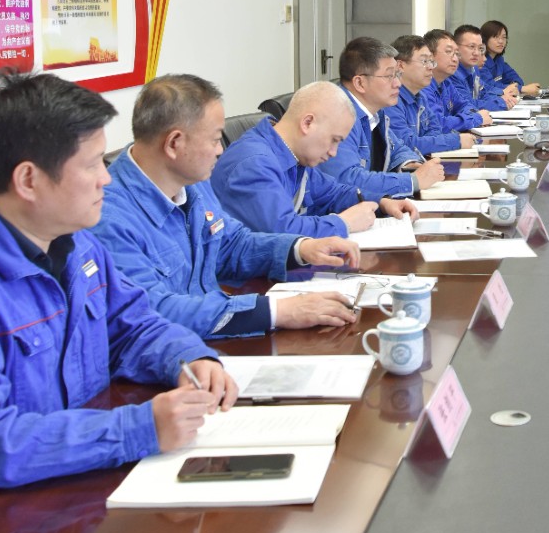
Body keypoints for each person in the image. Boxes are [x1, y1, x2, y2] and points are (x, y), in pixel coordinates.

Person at [0, 71, 237, 529]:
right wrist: (136, 429)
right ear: (29, 180)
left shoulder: (75, 244)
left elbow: (133, 325)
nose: (106, 179)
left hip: (60, 491)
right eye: (92, 165)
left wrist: (188, 358)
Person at [95, 74, 361, 339]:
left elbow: (231, 245)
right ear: (175, 143)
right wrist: (276, 311)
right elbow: (153, 310)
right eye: (214, 140)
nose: (220, 150)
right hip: (176, 352)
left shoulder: (191, 182)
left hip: (212, 339)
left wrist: (300, 248)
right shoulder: (109, 219)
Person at [211, 81, 415, 240]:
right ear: (308, 123)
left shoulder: (294, 155)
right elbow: (282, 233)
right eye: (334, 140)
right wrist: (343, 223)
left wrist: (381, 202)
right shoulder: (254, 164)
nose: (333, 152)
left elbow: (332, 193)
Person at [314, 37, 445, 199]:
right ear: (360, 83)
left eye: (398, 74)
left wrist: (410, 164)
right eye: (389, 76)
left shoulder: (376, 112)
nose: (398, 83)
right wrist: (412, 181)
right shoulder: (337, 115)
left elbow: (397, 147)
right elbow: (346, 179)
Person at [391, 33, 475, 155]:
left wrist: (430, 143)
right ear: (400, 66)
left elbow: (436, 130)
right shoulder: (391, 100)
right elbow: (406, 144)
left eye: (431, 61)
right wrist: (456, 140)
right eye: (424, 61)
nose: (430, 67)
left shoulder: (420, 96)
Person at [424, 28, 491, 131]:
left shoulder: (446, 82)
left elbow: (464, 105)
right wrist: (476, 119)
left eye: (456, 53)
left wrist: (474, 115)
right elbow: (438, 124)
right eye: (449, 52)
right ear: (430, 56)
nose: (455, 59)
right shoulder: (423, 86)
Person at [449, 24, 515, 113]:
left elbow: (483, 94)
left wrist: (503, 99)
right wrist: (501, 102)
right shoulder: (452, 73)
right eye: (471, 47)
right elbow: (467, 104)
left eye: (480, 48)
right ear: (456, 48)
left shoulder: (473, 69)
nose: (476, 53)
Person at [481, 19, 540, 98]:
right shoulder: (479, 62)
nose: (501, 41)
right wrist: (522, 89)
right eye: (496, 37)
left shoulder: (499, 60)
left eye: (504, 37)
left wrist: (515, 87)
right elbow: (490, 87)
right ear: (485, 39)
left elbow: (516, 79)